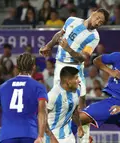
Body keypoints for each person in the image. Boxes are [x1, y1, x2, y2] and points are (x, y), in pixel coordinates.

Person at [39, 8, 110, 143]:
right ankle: (53, 136)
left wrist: (68, 49)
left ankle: (84, 138)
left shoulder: (94, 37)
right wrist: (49, 45)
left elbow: (83, 57)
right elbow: (59, 35)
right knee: (59, 102)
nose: (98, 22)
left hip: (75, 68)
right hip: (60, 66)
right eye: (98, 18)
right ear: (93, 13)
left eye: (101, 22)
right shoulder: (71, 20)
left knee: (80, 102)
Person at [0, 53, 50, 143]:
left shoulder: (3, 86)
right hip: (29, 135)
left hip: (7, 136)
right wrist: (41, 136)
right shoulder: (38, 87)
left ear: (17, 67)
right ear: (33, 67)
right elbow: (42, 112)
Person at [44, 66, 84, 143]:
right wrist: (51, 137)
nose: (79, 81)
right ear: (68, 81)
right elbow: (41, 117)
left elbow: (74, 111)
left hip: (68, 137)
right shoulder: (53, 95)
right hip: (51, 137)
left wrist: (79, 126)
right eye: (76, 78)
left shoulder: (77, 90)